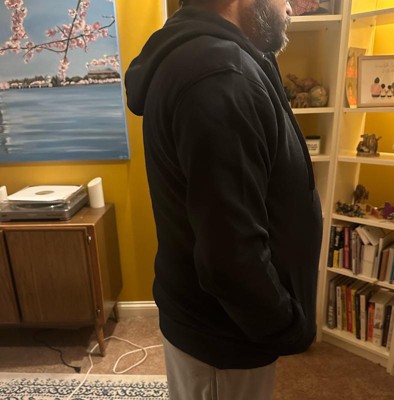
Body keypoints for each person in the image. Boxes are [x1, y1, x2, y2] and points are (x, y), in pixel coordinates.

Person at [125, 0, 322, 399]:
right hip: (225, 339)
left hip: (222, 328)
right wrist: (287, 327)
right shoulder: (219, 76)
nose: (291, 7)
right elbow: (230, 256)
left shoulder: (218, 59)